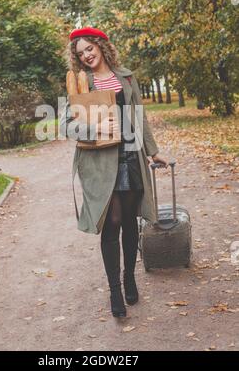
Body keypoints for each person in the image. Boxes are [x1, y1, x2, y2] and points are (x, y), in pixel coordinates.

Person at [60, 27, 168, 318]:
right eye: (80, 53)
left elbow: (139, 117)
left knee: (131, 222)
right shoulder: (82, 85)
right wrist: (96, 128)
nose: (86, 55)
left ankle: (129, 277)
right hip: (99, 163)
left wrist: (153, 151)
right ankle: (114, 290)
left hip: (130, 156)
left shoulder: (126, 77)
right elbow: (65, 126)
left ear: (101, 45)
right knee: (113, 222)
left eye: (90, 48)